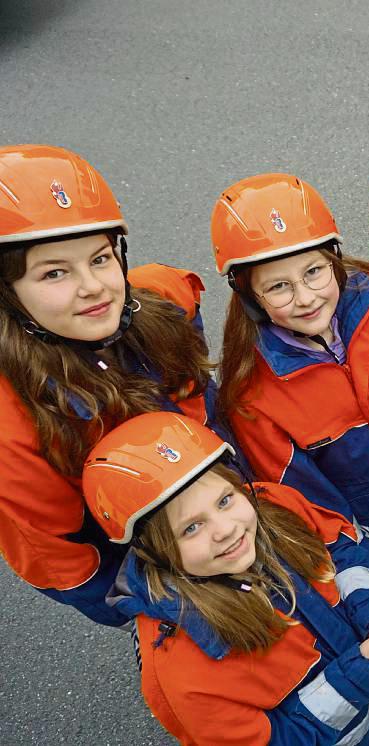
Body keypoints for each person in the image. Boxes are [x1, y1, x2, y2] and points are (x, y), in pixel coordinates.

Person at [83, 411, 369, 745]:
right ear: (153, 552)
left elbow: (341, 549)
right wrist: (360, 676)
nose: (227, 529)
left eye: (224, 500)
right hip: (343, 734)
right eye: (191, 527)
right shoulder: (182, 672)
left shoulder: (275, 505)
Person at [214, 173, 369, 625]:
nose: (306, 297)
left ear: (333, 260)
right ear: (249, 298)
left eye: (313, 272)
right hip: (363, 501)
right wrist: (342, 537)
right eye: (278, 287)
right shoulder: (254, 391)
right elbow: (296, 482)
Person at [0, 144, 220, 626]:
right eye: (55, 272)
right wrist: (155, 611)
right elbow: (63, 558)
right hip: (152, 555)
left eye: (100, 258)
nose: (94, 286)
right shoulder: (13, 428)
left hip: (220, 500)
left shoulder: (161, 300)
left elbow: (198, 386)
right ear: (7, 296)